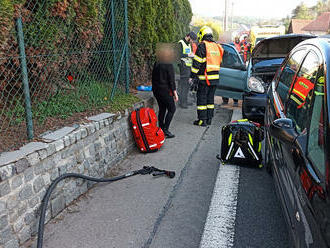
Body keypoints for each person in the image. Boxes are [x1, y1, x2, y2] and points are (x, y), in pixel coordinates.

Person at [190, 26, 224, 126]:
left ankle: (202, 120)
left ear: (202, 34)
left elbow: (197, 63)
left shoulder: (202, 46)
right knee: (210, 100)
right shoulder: (217, 46)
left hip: (204, 79)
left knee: (202, 100)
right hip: (215, 79)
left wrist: (192, 75)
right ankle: (209, 120)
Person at [152, 44, 178, 138]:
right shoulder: (168, 64)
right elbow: (171, 80)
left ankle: (161, 128)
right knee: (172, 109)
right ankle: (166, 130)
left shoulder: (157, 62)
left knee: (162, 109)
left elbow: (153, 77)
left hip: (157, 90)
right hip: (165, 91)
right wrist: (175, 93)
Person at [178, 31, 197, 108]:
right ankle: (182, 103)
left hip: (188, 67)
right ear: (188, 36)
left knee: (187, 85)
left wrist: (192, 55)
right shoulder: (180, 43)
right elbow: (178, 54)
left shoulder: (188, 44)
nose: (192, 42)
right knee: (184, 85)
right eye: (192, 40)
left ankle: (185, 101)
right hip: (183, 66)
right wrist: (188, 55)